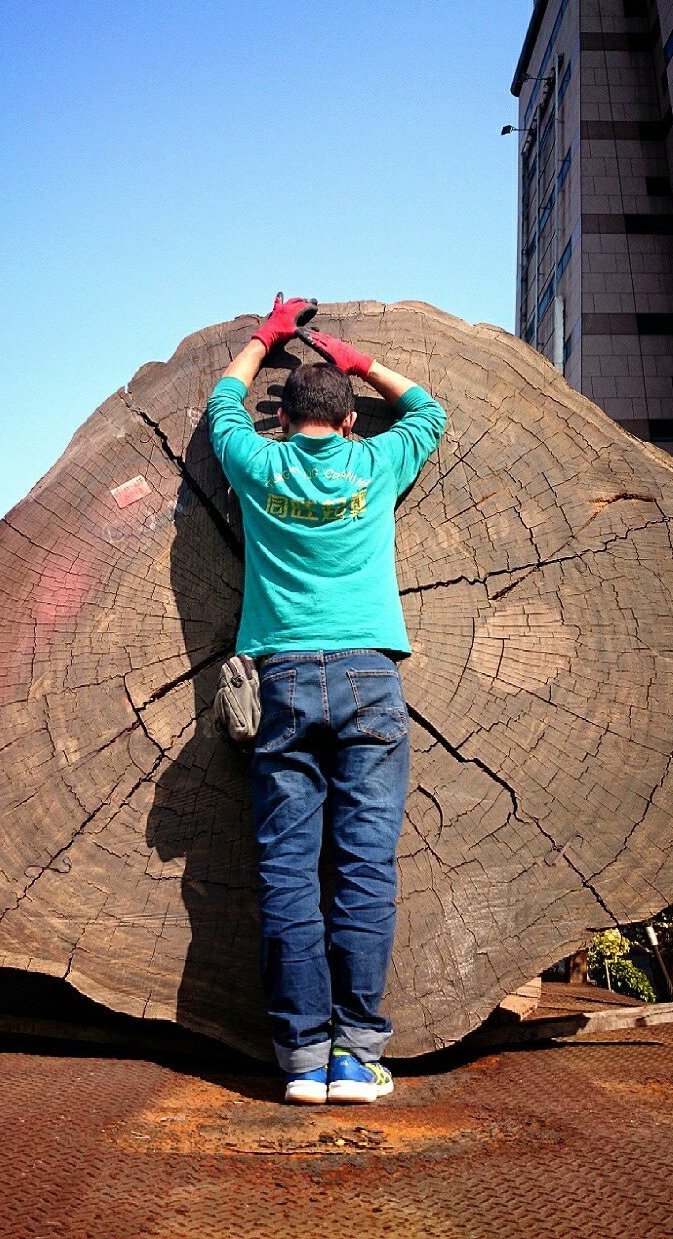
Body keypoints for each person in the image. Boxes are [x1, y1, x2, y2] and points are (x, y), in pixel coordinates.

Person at [207, 294, 447, 1104]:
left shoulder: (259, 464)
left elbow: (221, 403)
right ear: (349, 423)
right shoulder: (376, 465)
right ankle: (356, 1056)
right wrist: (356, 362)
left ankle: (304, 1056)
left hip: (278, 682)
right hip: (370, 681)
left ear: (286, 423)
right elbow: (426, 409)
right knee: (363, 869)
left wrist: (263, 338)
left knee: (285, 872)